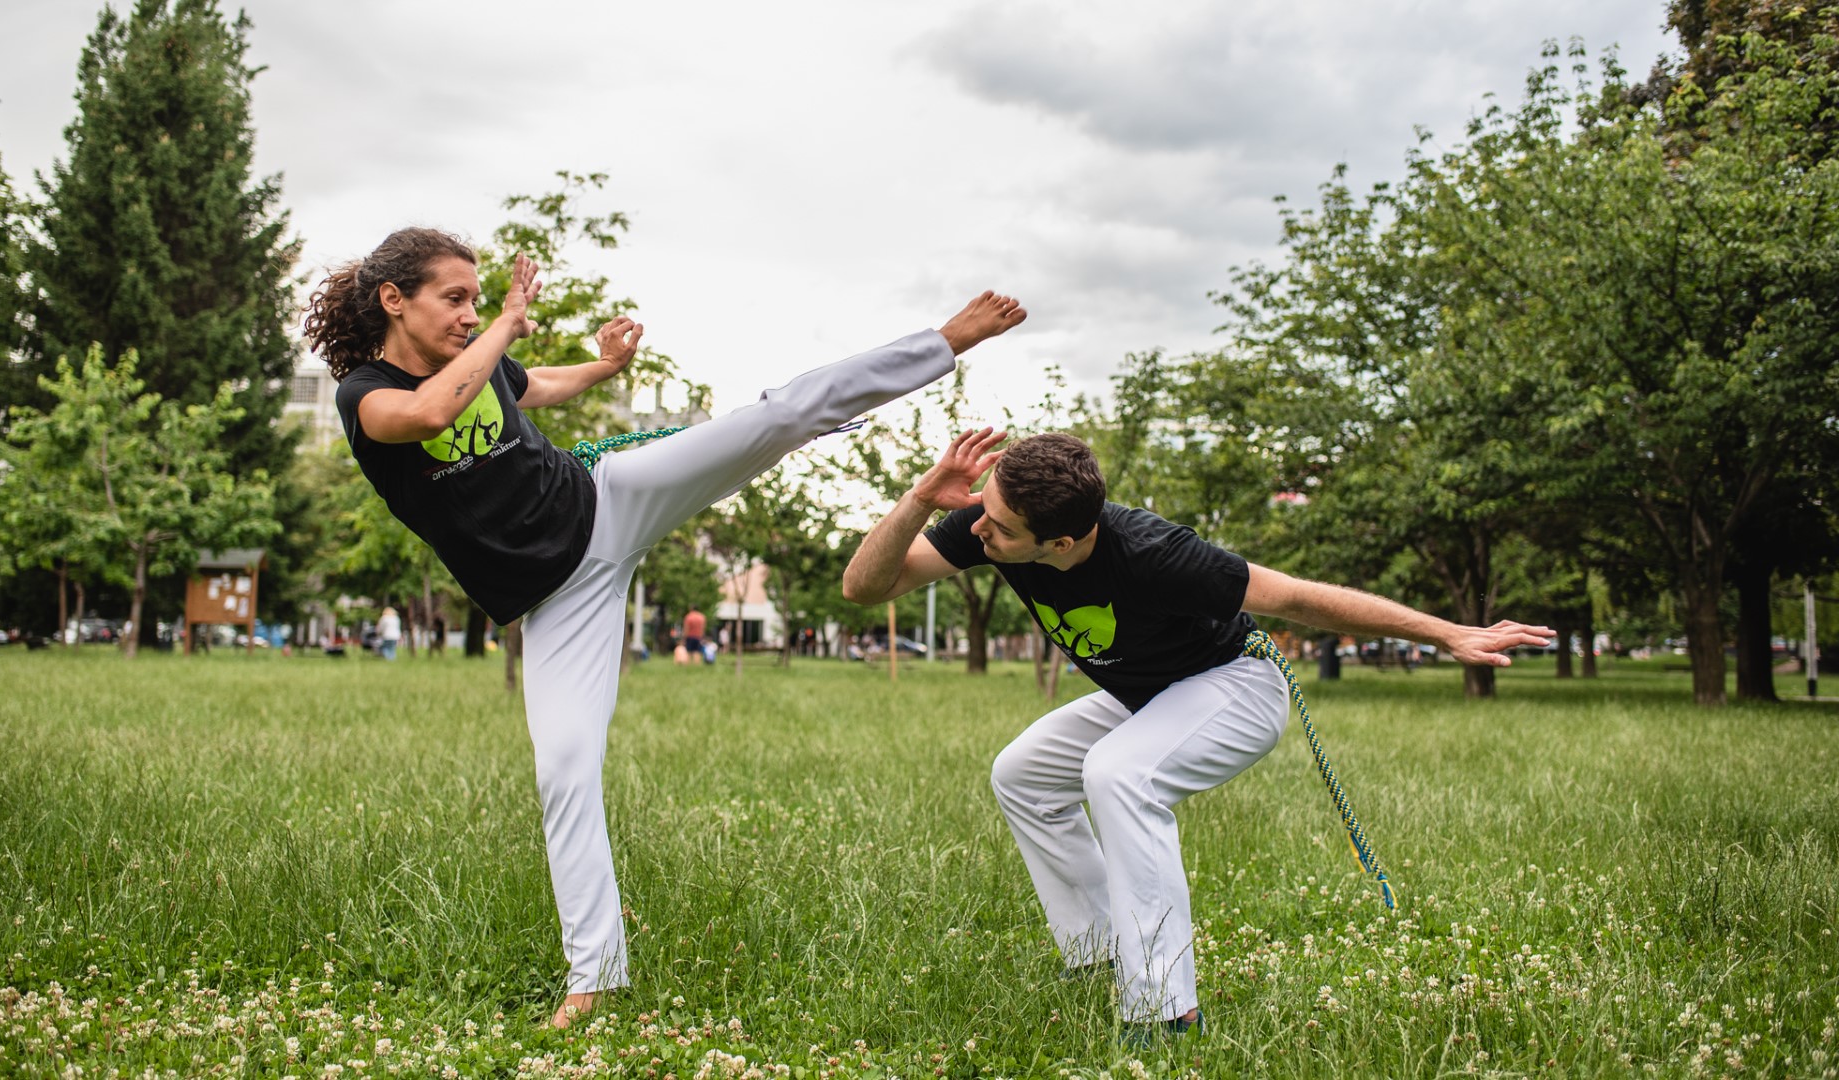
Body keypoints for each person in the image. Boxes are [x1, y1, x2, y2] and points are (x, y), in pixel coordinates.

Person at [305, 226, 1025, 1028]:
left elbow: (533, 384)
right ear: (393, 300)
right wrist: (508, 320)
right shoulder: (364, 394)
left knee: (782, 413)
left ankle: (946, 340)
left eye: (477, 298)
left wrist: (605, 368)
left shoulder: (482, 358)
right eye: (455, 298)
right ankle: (595, 978)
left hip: (609, 497)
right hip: (556, 600)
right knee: (565, 773)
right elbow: (434, 410)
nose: (471, 314)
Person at [841, 429, 1551, 1040]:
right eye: (982, 513)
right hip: (1149, 693)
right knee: (1022, 773)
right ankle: (1099, 951)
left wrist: (1449, 633)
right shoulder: (990, 520)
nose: (978, 530)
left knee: (1118, 774)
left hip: (1236, 687)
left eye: (996, 527)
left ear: (1059, 542)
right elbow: (865, 589)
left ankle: (1163, 1008)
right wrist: (919, 500)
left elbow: (1301, 599)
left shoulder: (1156, 553)